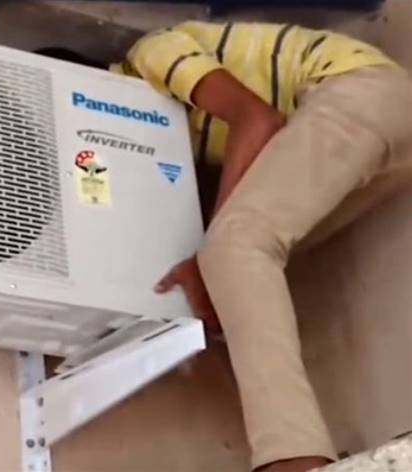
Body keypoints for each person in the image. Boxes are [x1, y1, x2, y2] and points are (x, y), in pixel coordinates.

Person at [123, 21, 411, 472]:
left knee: (235, 247)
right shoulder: (170, 131)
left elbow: (258, 119)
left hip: (360, 89)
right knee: (243, 265)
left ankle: (294, 457)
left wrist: (209, 249)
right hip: (385, 125)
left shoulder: (150, 52)